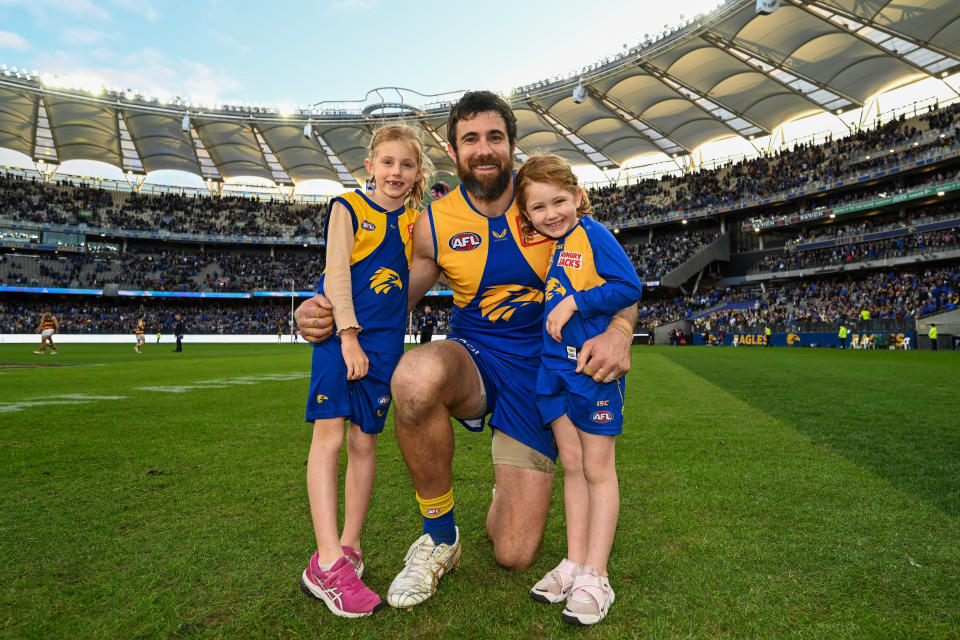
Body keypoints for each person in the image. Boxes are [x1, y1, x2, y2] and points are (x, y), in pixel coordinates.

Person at [295, 90, 636, 610]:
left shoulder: (544, 200)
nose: (483, 149)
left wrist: (620, 331)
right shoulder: (434, 220)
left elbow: (614, 278)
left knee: (515, 552)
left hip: (541, 369)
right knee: (414, 377)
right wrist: (320, 313)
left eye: (494, 137)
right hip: (473, 356)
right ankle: (439, 536)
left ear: (512, 145)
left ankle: (510, 483)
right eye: (470, 139)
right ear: (453, 153)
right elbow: (387, 296)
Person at [298, 123, 430, 618]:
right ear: (370, 166)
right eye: (388, 162)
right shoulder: (348, 208)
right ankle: (326, 563)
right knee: (329, 438)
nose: (396, 171)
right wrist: (347, 335)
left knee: (365, 441)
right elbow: (336, 272)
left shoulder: (419, 221)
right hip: (340, 337)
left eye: (407, 164)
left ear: (417, 174)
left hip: (386, 347)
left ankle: (350, 547)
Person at [516, 154, 641, 625]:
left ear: (578, 197)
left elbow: (629, 286)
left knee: (597, 469)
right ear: (527, 216)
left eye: (559, 201)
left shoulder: (593, 234)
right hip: (553, 372)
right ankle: (573, 563)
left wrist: (575, 301)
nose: (551, 213)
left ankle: (597, 575)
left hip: (589, 371)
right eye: (539, 208)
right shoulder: (553, 245)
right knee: (571, 465)